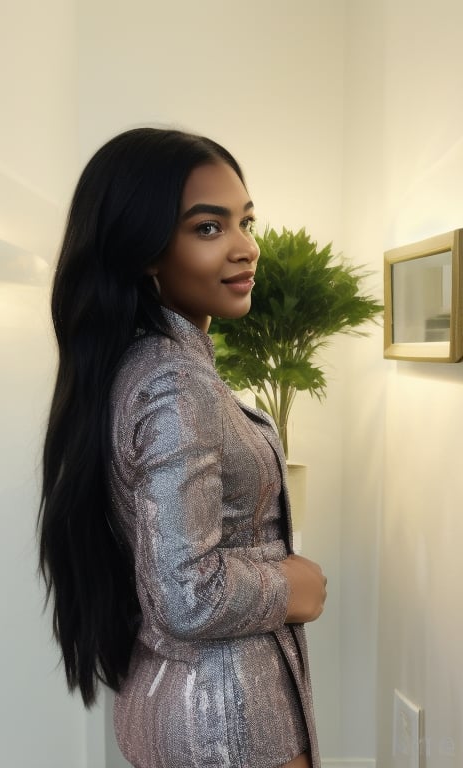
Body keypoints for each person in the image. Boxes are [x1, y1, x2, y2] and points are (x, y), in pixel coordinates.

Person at [38, 127, 327, 768]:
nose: (246, 248)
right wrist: (291, 586)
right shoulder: (173, 382)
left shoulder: (135, 364)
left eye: (245, 221)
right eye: (208, 228)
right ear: (144, 250)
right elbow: (186, 592)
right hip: (228, 721)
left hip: (181, 702)